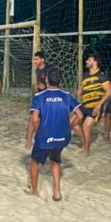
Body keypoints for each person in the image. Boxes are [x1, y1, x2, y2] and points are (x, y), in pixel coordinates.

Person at [25, 68, 82, 201]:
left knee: (35, 162)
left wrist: (39, 130)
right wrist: (70, 126)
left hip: (45, 136)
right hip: (63, 137)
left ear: (46, 80)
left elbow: (34, 119)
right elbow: (79, 114)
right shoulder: (67, 96)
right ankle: (57, 191)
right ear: (60, 81)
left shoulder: (39, 97)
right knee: (55, 160)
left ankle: (34, 191)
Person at [73, 54, 111, 156]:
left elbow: (109, 91)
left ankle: (86, 151)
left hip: (95, 107)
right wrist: (79, 90)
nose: (86, 61)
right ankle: (84, 141)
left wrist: (99, 105)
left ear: (95, 62)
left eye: (89, 60)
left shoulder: (101, 76)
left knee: (86, 128)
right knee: (73, 124)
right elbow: (80, 91)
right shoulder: (85, 75)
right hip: (84, 106)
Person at [26, 51, 55, 142]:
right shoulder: (37, 70)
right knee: (32, 118)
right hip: (40, 98)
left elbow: (55, 84)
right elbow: (40, 84)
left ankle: (44, 137)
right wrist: (37, 87)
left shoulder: (50, 69)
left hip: (49, 99)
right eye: (34, 59)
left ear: (42, 60)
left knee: (45, 121)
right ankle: (29, 140)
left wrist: (45, 87)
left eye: (36, 59)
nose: (34, 61)